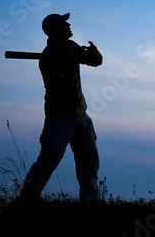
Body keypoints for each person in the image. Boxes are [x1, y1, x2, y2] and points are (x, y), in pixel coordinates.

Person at [20, 12, 102, 203]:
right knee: (49, 158)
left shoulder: (71, 47)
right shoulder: (48, 58)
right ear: (57, 30)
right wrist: (66, 62)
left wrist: (95, 53)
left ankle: (91, 204)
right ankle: (26, 200)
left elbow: (96, 62)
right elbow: (61, 89)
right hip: (59, 118)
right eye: (66, 24)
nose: (70, 25)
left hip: (81, 115)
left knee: (89, 160)